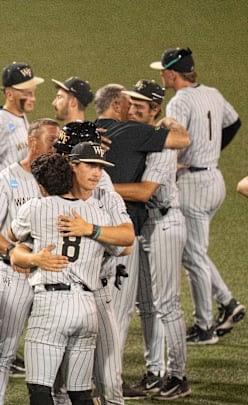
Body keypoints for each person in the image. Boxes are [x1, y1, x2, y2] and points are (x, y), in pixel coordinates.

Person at [9, 148, 133, 405]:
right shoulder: (98, 212)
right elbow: (124, 245)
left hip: (51, 304)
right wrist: (91, 231)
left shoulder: (35, 207)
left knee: (41, 390)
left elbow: (12, 237)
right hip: (88, 307)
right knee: (81, 393)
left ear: (41, 185)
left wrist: (34, 255)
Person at [94, 83, 190, 399]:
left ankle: (177, 376)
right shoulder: (135, 137)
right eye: (132, 103)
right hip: (146, 227)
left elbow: (145, 192)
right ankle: (154, 371)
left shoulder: (160, 144)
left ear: (154, 111)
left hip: (164, 223)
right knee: (146, 305)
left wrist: (100, 186)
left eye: (141, 106)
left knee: (166, 303)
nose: (134, 109)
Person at [151, 47, 245, 343]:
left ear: (171, 74)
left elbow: (176, 140)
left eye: (163, 71)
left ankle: (205, 325)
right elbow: (234, 123)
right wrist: (210, 150)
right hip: (214, 178)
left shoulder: (178, 102)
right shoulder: (214, 93)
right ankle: (227, 303)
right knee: (195, 252)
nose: (162, 76)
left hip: (193, 183)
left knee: (193, 256)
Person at [0, 118, 61, 404]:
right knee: (4, 350)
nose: (57, 146)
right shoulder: (4, 180)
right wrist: (12, 250)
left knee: (55, 349)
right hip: (16, 276)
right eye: (52, 139)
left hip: (51, 278)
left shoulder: (62, 179)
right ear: (32, 141)